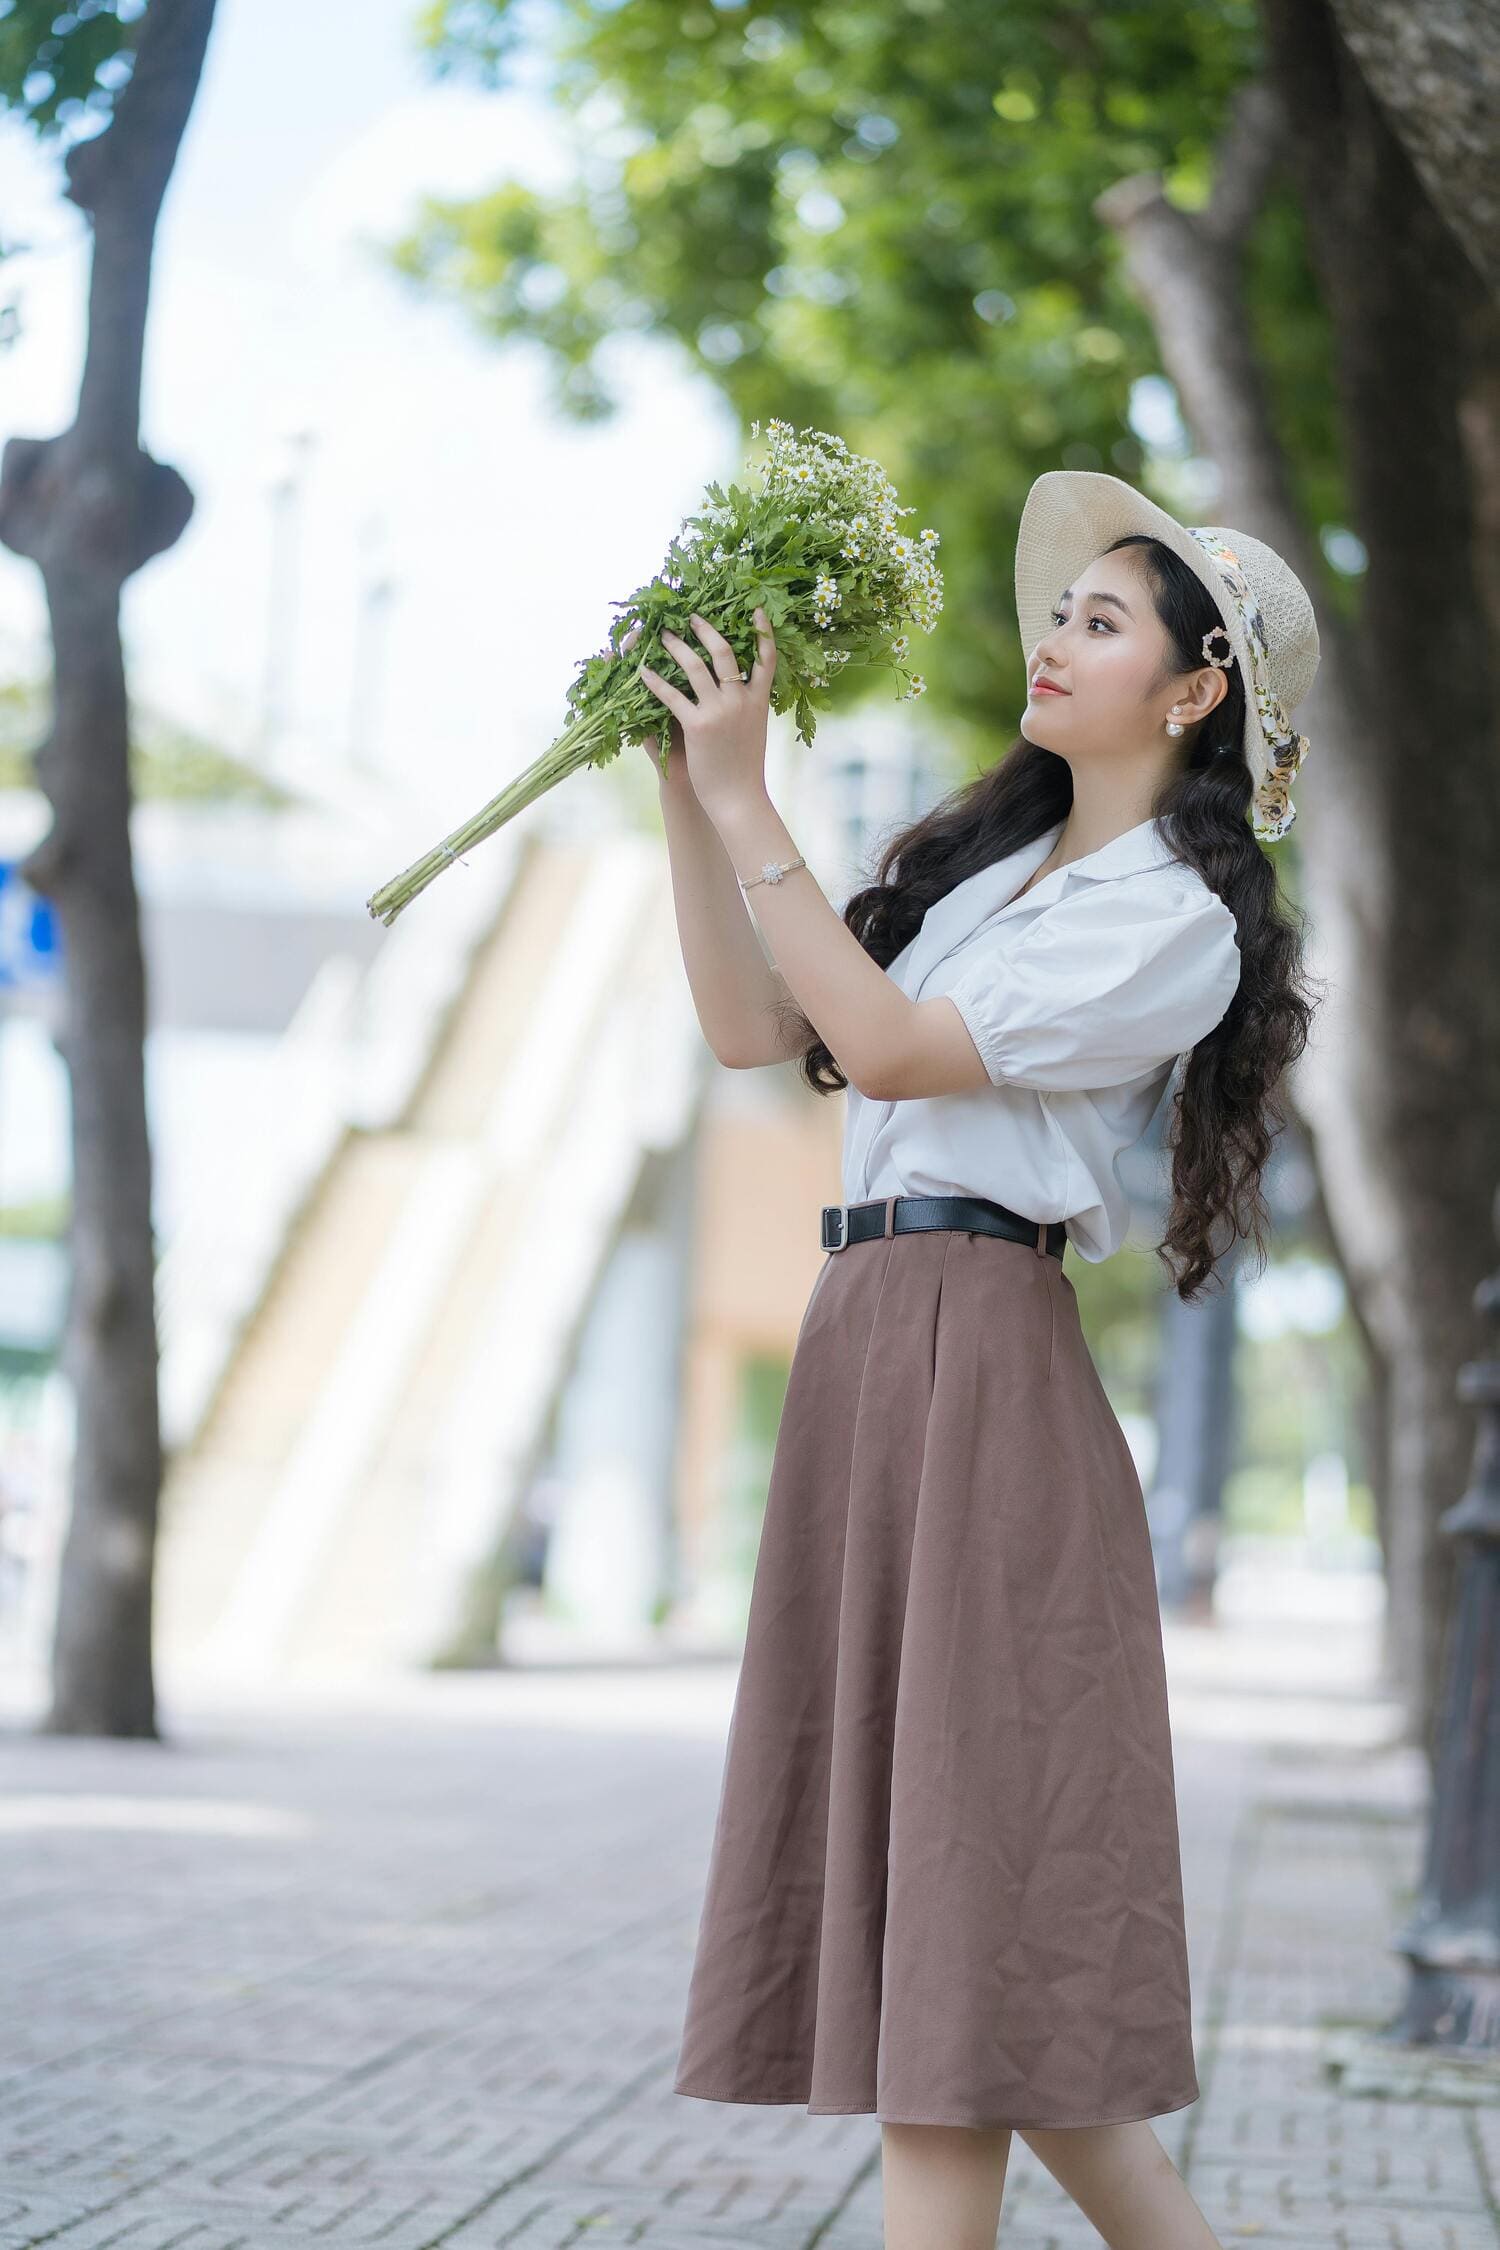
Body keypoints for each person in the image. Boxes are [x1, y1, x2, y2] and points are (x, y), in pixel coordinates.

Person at [636, 468, 1321, 2250]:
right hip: (872, 1341)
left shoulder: (1168, 917)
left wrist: (749, 793)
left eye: (1105, 620)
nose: (1056, 636)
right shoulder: (996, 866)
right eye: (1062, 608)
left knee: (959, 1968)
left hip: (983, 1362)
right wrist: (687, 799)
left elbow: (883, 1052)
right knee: (978, 1980)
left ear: (1194, 694)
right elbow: (753, 1025)